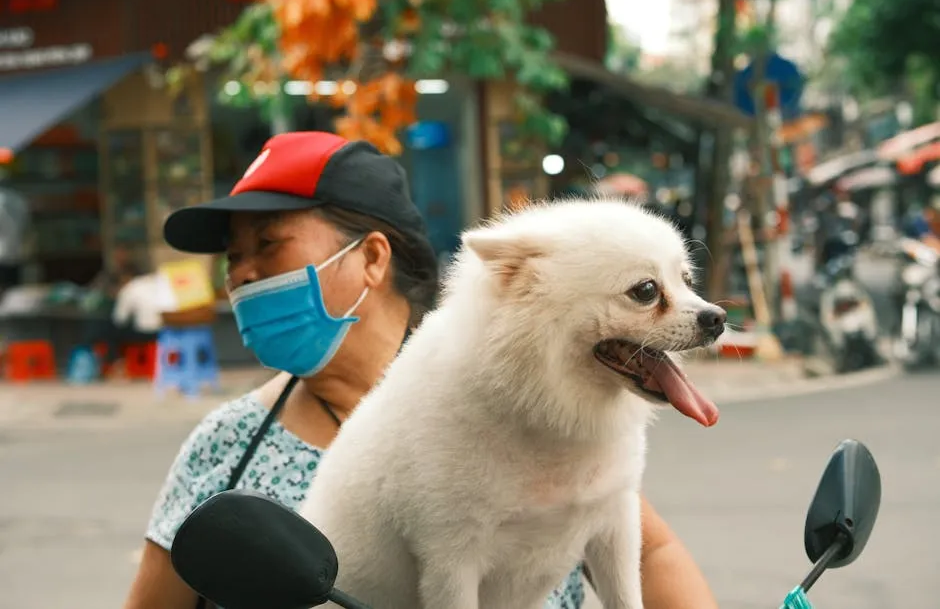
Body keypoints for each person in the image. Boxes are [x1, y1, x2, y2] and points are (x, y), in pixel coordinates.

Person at [123, 131, 719, 609]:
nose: (241, 276)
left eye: (269, 244)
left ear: (372, 260)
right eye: (234, 257)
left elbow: (645, 554)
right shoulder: (224, 446)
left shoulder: (549, 406)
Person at [0, 182, 29, 291]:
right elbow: (26, 226)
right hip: (15, 255)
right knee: (13, 295)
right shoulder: (18, 199)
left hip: (4, 256)